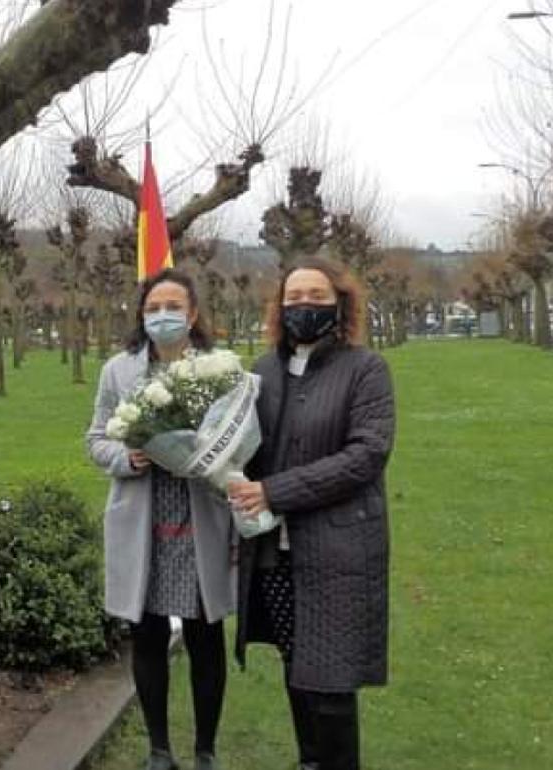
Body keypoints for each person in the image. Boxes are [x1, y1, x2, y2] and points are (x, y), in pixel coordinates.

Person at [227, 256, 396, 770]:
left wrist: (276, 491)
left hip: (338, 549)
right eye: (294, 298)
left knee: (331, 679)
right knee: (296, 665)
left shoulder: (365, 369)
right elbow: (243, 447)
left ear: (339, 304)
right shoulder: (261, 371)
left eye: (316, 297)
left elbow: (365, 455)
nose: (304, 306)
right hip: (274, 551)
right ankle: (309, 762)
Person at [86, 269, 235, 770]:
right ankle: (159, 750)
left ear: (193, 314)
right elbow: (96, 439)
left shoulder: (219, 370)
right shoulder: (118, 372)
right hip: (143, 522)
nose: (163, 316)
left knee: (204, 634)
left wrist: (212, 456)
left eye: (174, 306)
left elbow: (241, 440)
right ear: (141, 315)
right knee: (146, 634)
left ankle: (206, 750)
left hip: (201, 520)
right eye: (153, 308)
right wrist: (125, 459)